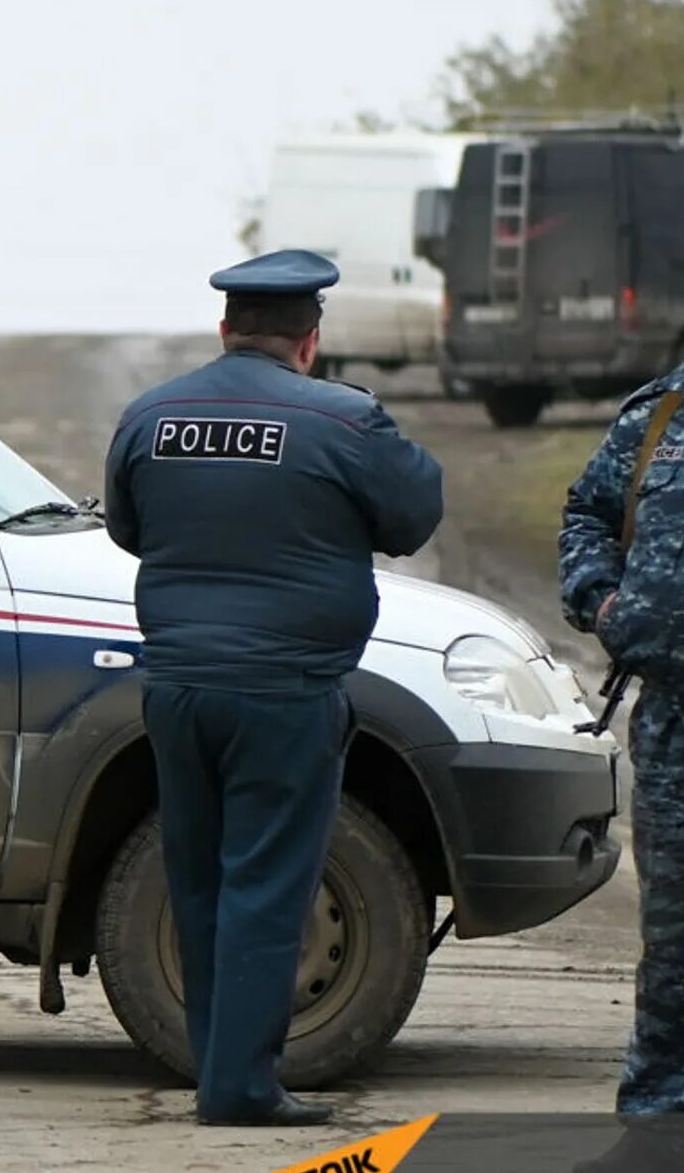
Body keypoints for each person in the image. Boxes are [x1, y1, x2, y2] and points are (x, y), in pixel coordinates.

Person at [103, 250, 444, 1127]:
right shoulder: (345, 421)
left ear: (226, 330)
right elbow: (414, 517)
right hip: (285, 691)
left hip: (177, 688)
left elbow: (131, 530)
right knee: (267, 884)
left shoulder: (152, 415)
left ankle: (220, 1071)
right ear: (310, 342)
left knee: (200, 880)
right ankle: (241, 1087)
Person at [560, 276, 684, 1173]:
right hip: (680, 729)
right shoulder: (658, 418)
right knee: (679, 941)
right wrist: (602, 601)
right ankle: (659, 1131)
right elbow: (586, 511)